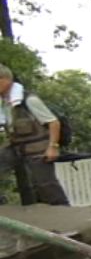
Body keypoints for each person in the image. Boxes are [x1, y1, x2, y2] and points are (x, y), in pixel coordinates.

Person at [0, 66, 70, 205]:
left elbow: (53, 122)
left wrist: (53, 147)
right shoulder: (4, 103)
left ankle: (64, 212)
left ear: (6, 79)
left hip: (38, 149)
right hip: (17, 147)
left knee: (46, 186)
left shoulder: (29, 100)